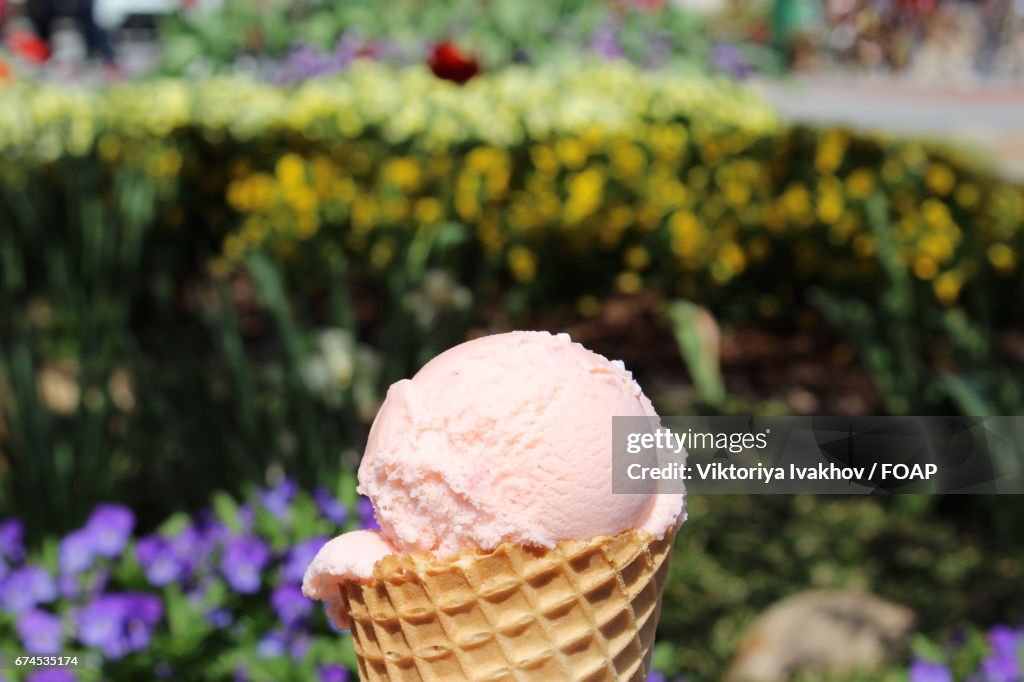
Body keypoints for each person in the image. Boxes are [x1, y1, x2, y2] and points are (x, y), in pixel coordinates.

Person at [26, 0, 116, 64]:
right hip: (48, 53)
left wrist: (107, 55)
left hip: (81, 55)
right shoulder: (42, 6)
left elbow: (93, 31)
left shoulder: (85, 5)